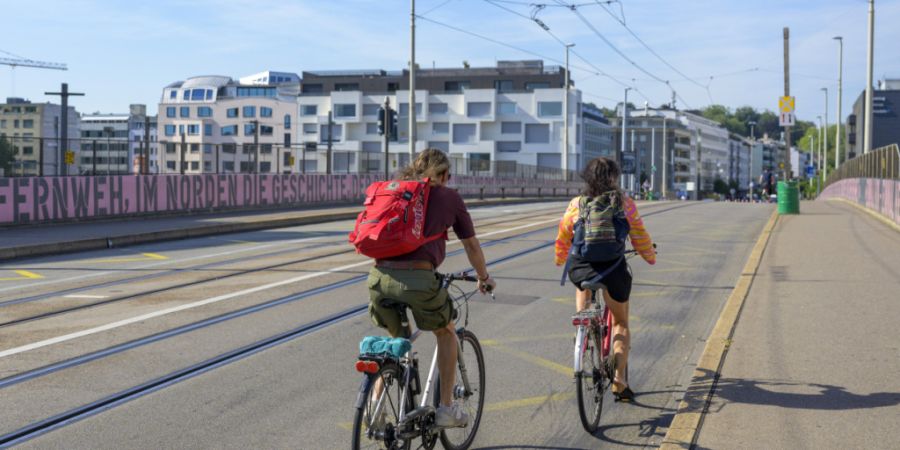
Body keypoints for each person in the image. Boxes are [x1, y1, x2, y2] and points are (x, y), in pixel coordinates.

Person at [366, 148, 496, 428]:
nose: (448, 180)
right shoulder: (449, 197)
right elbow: (471, 245)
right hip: (419, 280)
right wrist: (484, 277)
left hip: (378, 278)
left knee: (396, 341)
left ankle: (376, 408)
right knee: (446, 330)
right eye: (447, 175)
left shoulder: (396, 191)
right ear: (441, 174)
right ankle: (446, 408)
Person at [554, 157, 655, 402]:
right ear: (614, 178)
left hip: (581, 268)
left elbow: (564, 235)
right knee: (620, 323)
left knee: (582, 283)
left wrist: (560, 259)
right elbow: (640, 235)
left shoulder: (576, 204)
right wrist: (649, 256)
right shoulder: (625, 204)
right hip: (613, 269)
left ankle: (584, 323)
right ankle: (619, 380)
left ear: (587, 177)